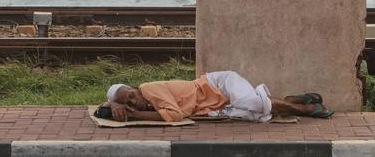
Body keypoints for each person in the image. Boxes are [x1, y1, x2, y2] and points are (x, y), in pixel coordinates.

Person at [99, 71, 333, 122]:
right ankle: (295, 100)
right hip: (213, 106)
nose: (133, 101)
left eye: (131, 95)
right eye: (128, 103)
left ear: (134, 87)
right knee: (254, 113)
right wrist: (111, 103)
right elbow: (102, 107)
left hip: (219, 85)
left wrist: (136, 115)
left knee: (251, 102)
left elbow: (176, 115)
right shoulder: (144, 102)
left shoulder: (149, 88)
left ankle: (306, 110)